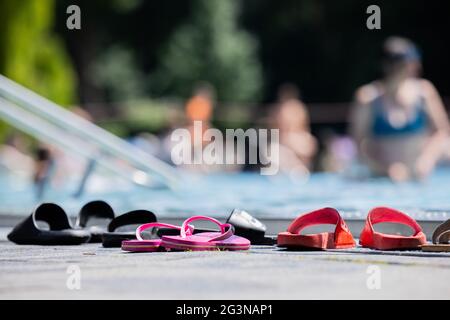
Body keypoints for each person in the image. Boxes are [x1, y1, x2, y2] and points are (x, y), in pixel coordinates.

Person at [350, 37, 449, 181]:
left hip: (420, 174)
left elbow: (442, 131)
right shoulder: (368, 97)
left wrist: (427, 159)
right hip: (382, 177)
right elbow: (358, 143)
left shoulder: (424, 92)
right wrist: (384, 168)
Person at [269, 83, 317, 175]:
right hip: (286, 147)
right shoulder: (281, 111)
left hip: (297, 144)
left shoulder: (298, 110)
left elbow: (309, 144)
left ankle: (297, 169)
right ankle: (296, 169)